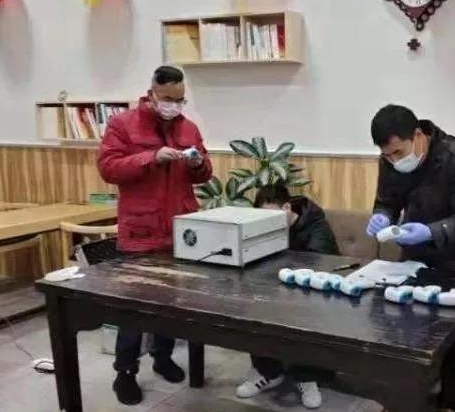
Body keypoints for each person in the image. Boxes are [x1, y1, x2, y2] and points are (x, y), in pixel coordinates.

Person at [97, 65, 213, 405]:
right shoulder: (122, 124)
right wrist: (150, 157)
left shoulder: (188, 127)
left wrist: (198, 164)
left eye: (180, 99)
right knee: (133, 308)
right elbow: (108, 168)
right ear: (151, 94)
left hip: (180, 231)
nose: (174, 105)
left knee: (171, 305)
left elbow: (205, 173)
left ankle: (163, 358)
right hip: (140, 232)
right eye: (168, 98)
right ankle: (125, 372)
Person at [366, 104, 455, 411]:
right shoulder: (390, 159)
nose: (394, 161)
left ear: (418, 136)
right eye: (387, 156)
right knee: (410, 340)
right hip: (414, 261)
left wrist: (431, 231)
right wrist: (382, 216)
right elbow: (386, 201)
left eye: (398, 152)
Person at [236, 183, 338, 409]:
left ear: (286, 208)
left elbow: (319, 264)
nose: (266, 222)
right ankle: (268, 372)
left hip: (313, 291)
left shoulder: (316, 225)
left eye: (271, 216)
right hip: (276, 288)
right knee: (254, 306)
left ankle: (306, 377)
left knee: (304, 313)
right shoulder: (264, 228)